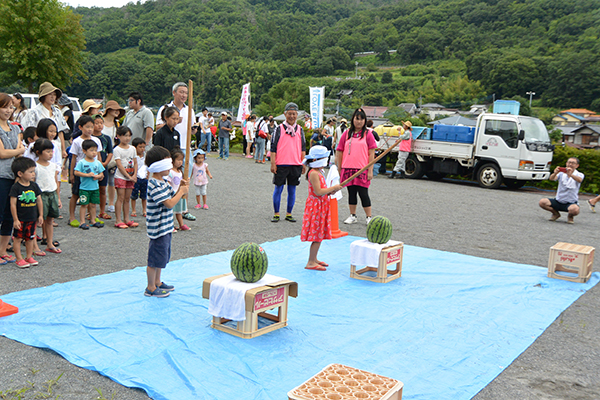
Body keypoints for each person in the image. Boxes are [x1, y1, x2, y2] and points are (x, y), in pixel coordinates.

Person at [144, 145, 189, 297]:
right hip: (158, 229)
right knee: (154, 259)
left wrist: (181, 188)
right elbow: (169, 203)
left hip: (166, 227)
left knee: (162, 257)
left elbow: (173, 196)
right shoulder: (154, 184)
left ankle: (157, 281)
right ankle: (150, 287)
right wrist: (181, 192)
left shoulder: (163, 181)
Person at [301, 146, 342, 271]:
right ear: (315, 160)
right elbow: (318, 191)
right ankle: (311, 262)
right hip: (316, 207)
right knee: (317, 235)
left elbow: (322, 191)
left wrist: (330, 192)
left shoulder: (320, 172)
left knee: (320, 234)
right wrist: (333, 188)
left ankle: (314, 258)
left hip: (322, 205)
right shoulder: (313, 173)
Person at [335, 108, 377, 225]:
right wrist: (339, 167)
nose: (359, 122)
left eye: (361, 119)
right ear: (352, 119)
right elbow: (340, 150)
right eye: (357, 119)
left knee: (363, 193)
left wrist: (370, 170)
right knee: (351, 192)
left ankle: (369, 217)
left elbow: (371, 153)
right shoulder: (347, 133)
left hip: (362, 168)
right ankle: (352, 215)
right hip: (348, 168)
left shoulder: (368, 134)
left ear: (365, 120)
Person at [0, 93, 26, 265]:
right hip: (1, 176)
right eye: (5, 107)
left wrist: (16, 151)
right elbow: (2, 153)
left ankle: (2, 251)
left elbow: (20, 148)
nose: (8, 110)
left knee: (10, 215)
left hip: (14, 176)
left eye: (11, 107)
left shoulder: (15, 128)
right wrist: (17, 151)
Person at [270, 102, 306, 223]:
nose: (292, 116)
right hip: (281, 164)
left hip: (295, 164)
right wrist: (273, 163)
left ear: (297, 115)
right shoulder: (278, 129)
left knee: (292, 190)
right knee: (278, 189)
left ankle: (289, 213)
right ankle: (276, 213)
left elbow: (303, 148)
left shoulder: (300, 130)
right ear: (285, 114)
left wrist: (303, 163)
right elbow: (273, 147)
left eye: (294, 114)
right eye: (289, 113)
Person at [68, 115, 102, 227]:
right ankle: (72, 216)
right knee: (76, 194)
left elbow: (99, 156)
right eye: (87, 127)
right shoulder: (77, 141)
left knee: (93, 195)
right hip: (81, 172)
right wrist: (71, 173)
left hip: (94, 172)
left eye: (92, 127)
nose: (90, 129)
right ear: (80, 127)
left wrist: (100, 171)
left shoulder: (96, 140)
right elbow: (73, 158)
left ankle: (92, 217)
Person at [9, 157, 43, 268]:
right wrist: (15, 219)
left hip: (32, 218)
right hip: (21, 218)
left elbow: (39, 200)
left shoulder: (34, 186)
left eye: (33, 171)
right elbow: (13, 204)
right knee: (18, 238)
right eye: (30, 172)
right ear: (20, 173)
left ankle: (29, 256)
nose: (33, 174)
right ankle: (19, 258)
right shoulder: (16, 188)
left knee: (30, 238)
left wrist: (41, 215)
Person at [21, 82, 68, 159]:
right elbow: (30, 131)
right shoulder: (34, 112)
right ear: (44, 96)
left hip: (55, 146)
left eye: (54, 95)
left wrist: (63, 149)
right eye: (50, 94)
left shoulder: (57, 112)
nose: (53, 97)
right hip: (40, 147)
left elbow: (60, 131)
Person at [34, 139, 61, 253]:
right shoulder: (34, 166)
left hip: (52, 193)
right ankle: (34, 246)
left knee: (50, 219)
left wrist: (58, 197)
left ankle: (49, 243)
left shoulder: (53, 166)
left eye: (51, 151)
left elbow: (55, 181)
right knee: (36, 221)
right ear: (38, 152)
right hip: (40, 195)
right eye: (48, 151)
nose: (51, 154)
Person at [539, 157, 584, 224]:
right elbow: (552, 178)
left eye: (573, 163)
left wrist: (570, 174)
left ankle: (570, 217)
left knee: (575, 210)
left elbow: (579, 180)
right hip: (559, 200)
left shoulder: (579, 174)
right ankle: (555, 213)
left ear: (577, 165)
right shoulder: (561, 173)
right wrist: (555, 173)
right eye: (569, 162)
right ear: (566, 163)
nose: (570, 164)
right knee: (542, 202)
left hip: (571, 202)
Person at [74, 140, 105, 230]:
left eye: (95, 150)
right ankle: (82, 221)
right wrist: (87, 175)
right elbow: (76, 172)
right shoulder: (82, 162)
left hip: (95, 187)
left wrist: (98, 176)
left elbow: (101, 174)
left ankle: (93, 220)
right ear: (84, 151)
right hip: (84, 188)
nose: (94, 153)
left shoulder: (97, 162)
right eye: (91, 150)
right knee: (84, 204)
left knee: (93, 204)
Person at [156, 82, 195, 151]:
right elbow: (158, 127)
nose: (184, 95)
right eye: (181, 92)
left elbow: (192, 131)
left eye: (186, 93)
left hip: (185, 147)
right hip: (168, 146)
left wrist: (194, 129)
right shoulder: (165, 108)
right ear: (174, 93)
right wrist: (175, 122)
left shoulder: (190, 110)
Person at [102, 100, 126, 214]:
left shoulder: (117, 125)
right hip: (100, 153)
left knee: (112, 180)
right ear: (108, 110)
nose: (116, 112)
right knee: (99, 180)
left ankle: (111, 203)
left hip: (113, 154)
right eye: (114, 109)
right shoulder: (100, 122)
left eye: (118, 110)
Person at [113, 126, 138, 229]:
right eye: (125, 136)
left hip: (131, 176)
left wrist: (135, 175)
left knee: (127, 198)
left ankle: (127, 219)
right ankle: (118, 220)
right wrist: (128, 176)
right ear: (118, 136)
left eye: (129, 135)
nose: (127, 138)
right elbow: (119, 165)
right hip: (121, 176)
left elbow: (135, 162)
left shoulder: (132, 148)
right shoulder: (117, 149)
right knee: (120, 197)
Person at [91, 115, 113, 220]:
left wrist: (105, 163)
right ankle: (90, 211)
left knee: (102, 189)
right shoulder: (90, 138)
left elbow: (110, 153)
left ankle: (102, 211)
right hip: (91, 167)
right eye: (96, 123)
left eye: (101, 123)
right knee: (91, 189)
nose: (99, 125)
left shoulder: (106, 138)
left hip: (103, 166)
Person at [166, 148, 190, 231]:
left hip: (179, 193)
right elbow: (168, 183)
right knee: (171, 211)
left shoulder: (180, 171)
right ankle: (170, 225)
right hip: (173, 194)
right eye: (178, 160)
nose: (180, 162)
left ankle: (181, 224)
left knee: (179, 210)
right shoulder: (170, 172)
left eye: (181, 160)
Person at [130, 138, 148, 217]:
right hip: (136, 178)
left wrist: (148, 175)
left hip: (144, 178)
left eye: (143, 147)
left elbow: (148, 165)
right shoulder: (134, 157)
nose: (142, 149)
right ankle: (134, 209)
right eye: (140, 147)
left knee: (144, 196)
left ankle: (144, 210)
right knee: (134, 195)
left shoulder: (146, 156)